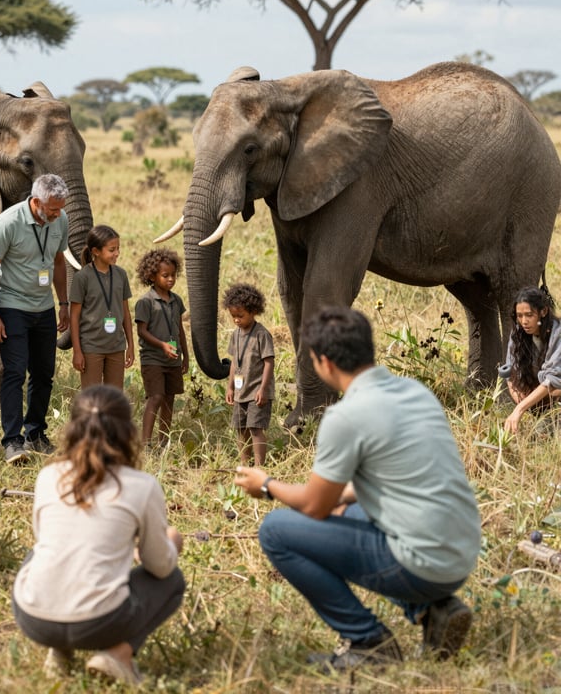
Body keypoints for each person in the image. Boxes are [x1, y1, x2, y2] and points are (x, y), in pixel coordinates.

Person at [234, 307, 481, 673]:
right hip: (462, 551)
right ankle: (434, 608)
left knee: (277, 532)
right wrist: (345, 498)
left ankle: (368, 641)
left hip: (425, 564)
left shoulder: (345, 416)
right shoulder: (414, 391)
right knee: (346, 510)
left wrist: (267, 485)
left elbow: (314, 507)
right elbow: (399, 476)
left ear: (324, 363)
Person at [12, 385, 185, 685]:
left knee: (37, 552)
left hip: (34, 617)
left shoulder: (48, 476)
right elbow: (159, 566)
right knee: (172, 581)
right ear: (128, 431)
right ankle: (118, 654)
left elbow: (49, 540)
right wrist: (172, 542)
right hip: (100, 623)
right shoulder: (142, 486)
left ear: (72, 428)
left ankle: (59, 651)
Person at [0, 174, 70, 464]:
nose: (57, 214)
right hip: (11, 305)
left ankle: (36, 433)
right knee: (15, 372)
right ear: (35, 201)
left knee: (44, 373)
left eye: (60, 209)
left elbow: (58, 261)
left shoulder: (61, 220)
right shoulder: (8, 223)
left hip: (44, 307)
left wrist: (64, 303)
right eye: (53, 209)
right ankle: (12, 440)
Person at [134, 248, 189, 444]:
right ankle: (145, 443)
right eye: (165, 275)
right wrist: (162, 345)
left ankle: (163, 442)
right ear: (151, 275)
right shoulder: (145, 302)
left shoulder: (176, 300)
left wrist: (186, 356)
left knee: (169, 400)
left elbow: (180, 329)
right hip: (153, 359)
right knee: (155, 398)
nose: (171, 279)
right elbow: (142, 331)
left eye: (173, 275)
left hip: (173, 358)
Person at [69, 225, 134, 389]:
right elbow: (74, 317)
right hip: (91, 348)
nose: (117, 253)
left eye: (118, 248)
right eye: (112, 250)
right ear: (96, 251)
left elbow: (126, 313)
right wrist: (77, 351)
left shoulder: (121, 275)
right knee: (92, 399)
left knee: (114, 398)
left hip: (116, 346)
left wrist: (130, 346)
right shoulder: (82, 277)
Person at [223, 283, 275, 466]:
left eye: (240, 316)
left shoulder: (262, 334)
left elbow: (269, 362)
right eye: (233, 316)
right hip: (240, 392)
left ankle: (260, 467)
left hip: (256, 392)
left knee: (255, 428)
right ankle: (245, 464)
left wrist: (263, 389)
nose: (236, 320)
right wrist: (230, 387)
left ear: (253, 312)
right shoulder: (235, 334)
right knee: (240, 428)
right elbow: (233, 364)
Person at [501, 285, 561, 433]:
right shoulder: (519, 334)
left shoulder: (557, 334)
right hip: (543, 400)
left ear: (543, 312)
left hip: (556, 396)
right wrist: (520, 400)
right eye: (519, 316)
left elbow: (553, 380)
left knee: (542, 433)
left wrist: (520, 409)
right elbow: (509, 370)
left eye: (529, 315)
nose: (524, 321)